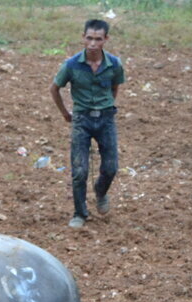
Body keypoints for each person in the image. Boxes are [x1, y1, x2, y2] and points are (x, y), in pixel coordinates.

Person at [51, 19, 125, 229]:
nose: (93, 43)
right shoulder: (71, 65)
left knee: (111, 167)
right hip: (81, 119)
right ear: (83, 37)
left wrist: (107, 107)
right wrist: (66, 113)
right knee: (79, 170)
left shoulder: (114, 64)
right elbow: (54, 89)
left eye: (98, 39)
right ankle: (80, 213)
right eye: (89, 38)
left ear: (106, 39)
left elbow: (114, 88)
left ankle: (100, 192)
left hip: (106, 118)